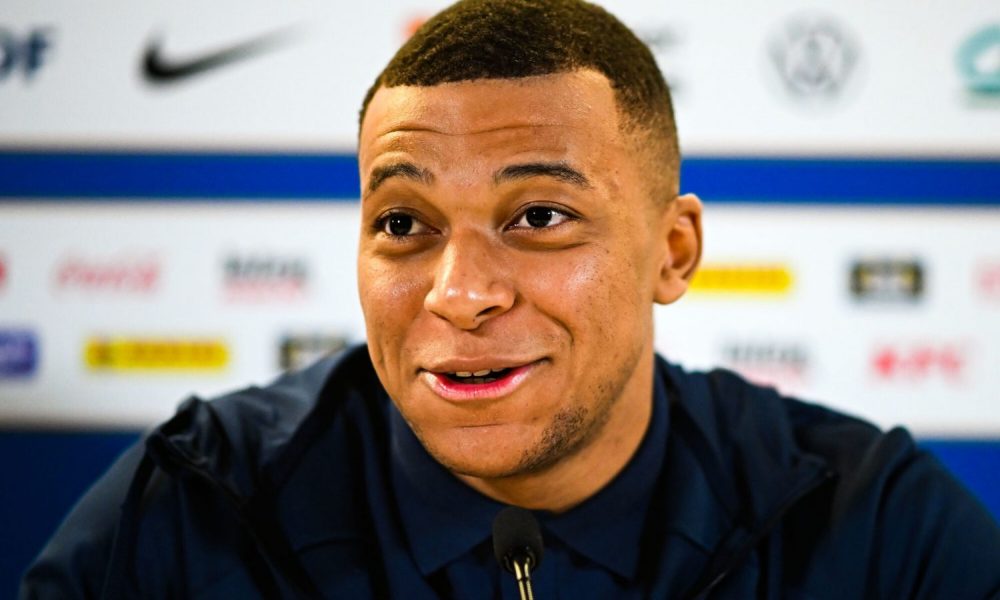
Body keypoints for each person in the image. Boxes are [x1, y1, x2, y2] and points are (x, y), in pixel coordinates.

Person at [21, 0, 1000, 598]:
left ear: (672, 252)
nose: (461, 294)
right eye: (403, 223)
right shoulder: (198, 506)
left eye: (538, 216)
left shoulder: (872, 528)